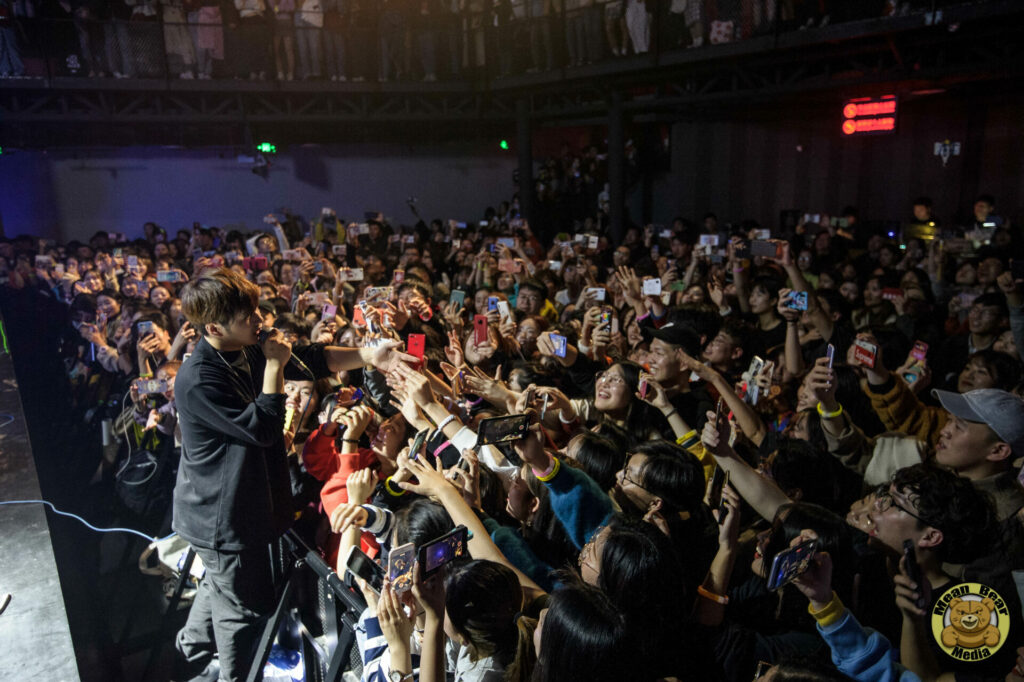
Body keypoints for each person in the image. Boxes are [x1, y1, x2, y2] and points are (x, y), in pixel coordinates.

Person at [171, 267, 410, 681]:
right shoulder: (198, 379)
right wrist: (273, 367)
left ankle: (190, 649)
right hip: (220, 515)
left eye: (256, 309)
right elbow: (264, 429)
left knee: (223, 585)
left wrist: (369, 355)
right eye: (246, 316)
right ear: (213, 326)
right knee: (244, 611)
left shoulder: (241, 344)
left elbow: (313, 359)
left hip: (240, 503)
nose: (259, 320)